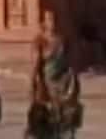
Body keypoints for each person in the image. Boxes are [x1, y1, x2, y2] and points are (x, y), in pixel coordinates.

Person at [26, 10, 82, 139]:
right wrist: (32, 85)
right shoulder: (40, 41)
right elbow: (35, 66)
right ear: (44, 22)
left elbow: (70, 61)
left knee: (66, 121)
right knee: (44, 123)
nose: (53, 23)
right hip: (46, 86)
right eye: (49, 19)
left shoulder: (62, 39)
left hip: (63, 84)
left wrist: (74, 79)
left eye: (55, 19)